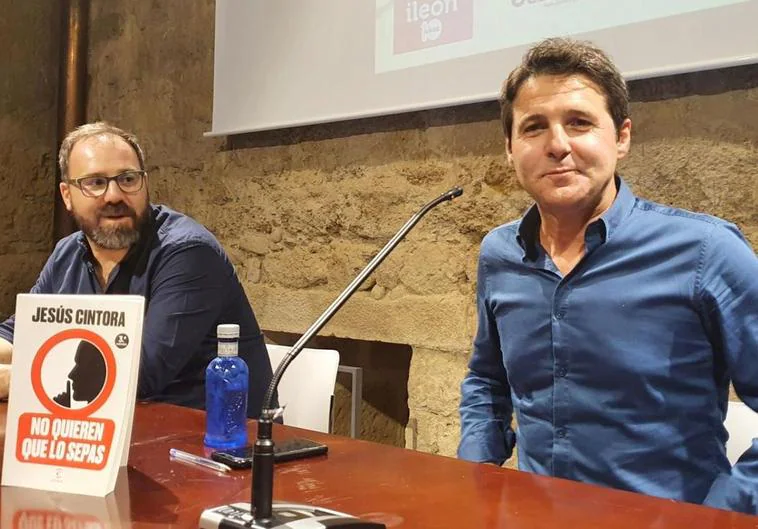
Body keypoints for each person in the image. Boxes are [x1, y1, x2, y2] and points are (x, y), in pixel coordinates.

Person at [458, 38, 758, 514]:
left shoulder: (707, 253)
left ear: (621, 137)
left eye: (579, 123)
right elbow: (487, 380)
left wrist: (723, 511)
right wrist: (478, 474)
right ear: (511, 150)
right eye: (534, 128)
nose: (557, 145)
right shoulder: (500, 254)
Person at [0, 122, 275, 417]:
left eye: (128, 179)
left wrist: (12, 380)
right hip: (118, 430)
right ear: (67, 195)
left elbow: (141, 374)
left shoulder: (187, 252)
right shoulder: (67, 253)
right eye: (95, 183)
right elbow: (20, 333)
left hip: (213, 444)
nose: (114, 195)